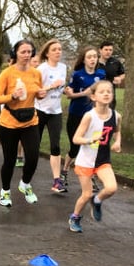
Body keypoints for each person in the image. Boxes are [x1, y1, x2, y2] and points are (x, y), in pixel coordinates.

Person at [0, 40, 45, 207]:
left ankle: (25, 184)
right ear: (15, 53)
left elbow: (37, 93)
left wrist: (41, 95)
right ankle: (5, 191)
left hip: (30, 120)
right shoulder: (7, 73)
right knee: (10, 160)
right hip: (9, 122)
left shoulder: (36, 73)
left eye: (29, 52)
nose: (26, 55)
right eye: (23, 52)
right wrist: (12, 96)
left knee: (33, 156)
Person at [68, 80, 121, 233]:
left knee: (111, 188)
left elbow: (118, 132)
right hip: (86, 161)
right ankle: (75, 217)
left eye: (109, 92)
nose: (106, 94)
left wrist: (117, 142)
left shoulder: (116, 116)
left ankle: (97, 200)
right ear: (93, 97)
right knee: (86, 194)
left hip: (103, 160)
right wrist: (90, 140)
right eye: (102, 91)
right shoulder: (89, 116)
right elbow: (76, 138)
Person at [63, 46, 106, 188]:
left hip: (93, 117)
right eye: (89, 57)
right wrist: (84, 93)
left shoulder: (101, 74)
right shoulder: (77, 75)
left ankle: (91, 177)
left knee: (93, 148)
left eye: (95, 56)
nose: (93, 59)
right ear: (84, 59)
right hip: (76, 114)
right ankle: (64, 171)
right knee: (75, 148)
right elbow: (69, 95)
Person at [35, 39, 68, 193]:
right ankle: (27, 176)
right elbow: (37, 91)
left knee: (55, 145)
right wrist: (51, 87)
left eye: (60, 49)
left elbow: (62, 88)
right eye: (54, 49)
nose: (58, 52)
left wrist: (65, 90)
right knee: (34, 144)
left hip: (56, 111)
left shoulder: (63, 67)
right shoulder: (42, 69)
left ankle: (57, 181)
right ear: (47, 53)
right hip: (40, 110)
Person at [98, 41, 125, 110]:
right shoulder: (94, 62)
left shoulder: (116, 62)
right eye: (106, 50)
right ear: (100, 50)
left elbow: (123, 73)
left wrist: (120, 78)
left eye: (110, 50)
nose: (108, 52)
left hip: (110, 95)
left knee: (109, 117)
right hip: (96, 95)